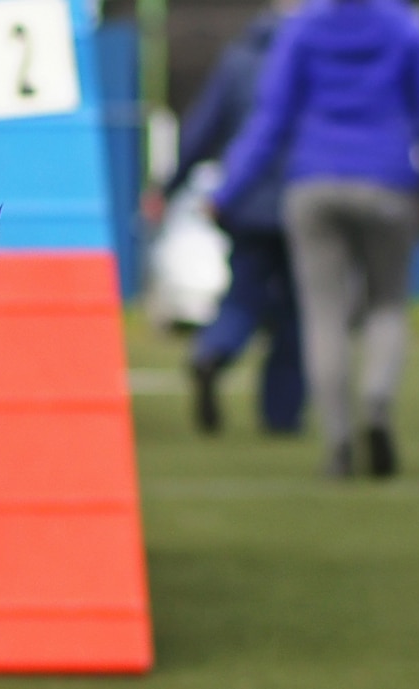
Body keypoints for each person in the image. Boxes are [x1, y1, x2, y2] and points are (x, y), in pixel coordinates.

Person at [213, 0, 419, 477]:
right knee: (387, 304)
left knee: (322, 316)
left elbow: (270, 120)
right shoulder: (407, 29)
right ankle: (376, 400)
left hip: (314, 181)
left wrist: (229, 190)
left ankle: (338, 442)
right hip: (390, 182)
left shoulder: (303, 28)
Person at [163, 6, 303, 438]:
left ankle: (214, 351)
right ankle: (280, 415)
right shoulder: (317, 56)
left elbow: (203, 127)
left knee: (243, 296)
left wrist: (171, 186)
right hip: (304, 202)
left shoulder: (238, 58)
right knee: (297, 312)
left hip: (245, 202)